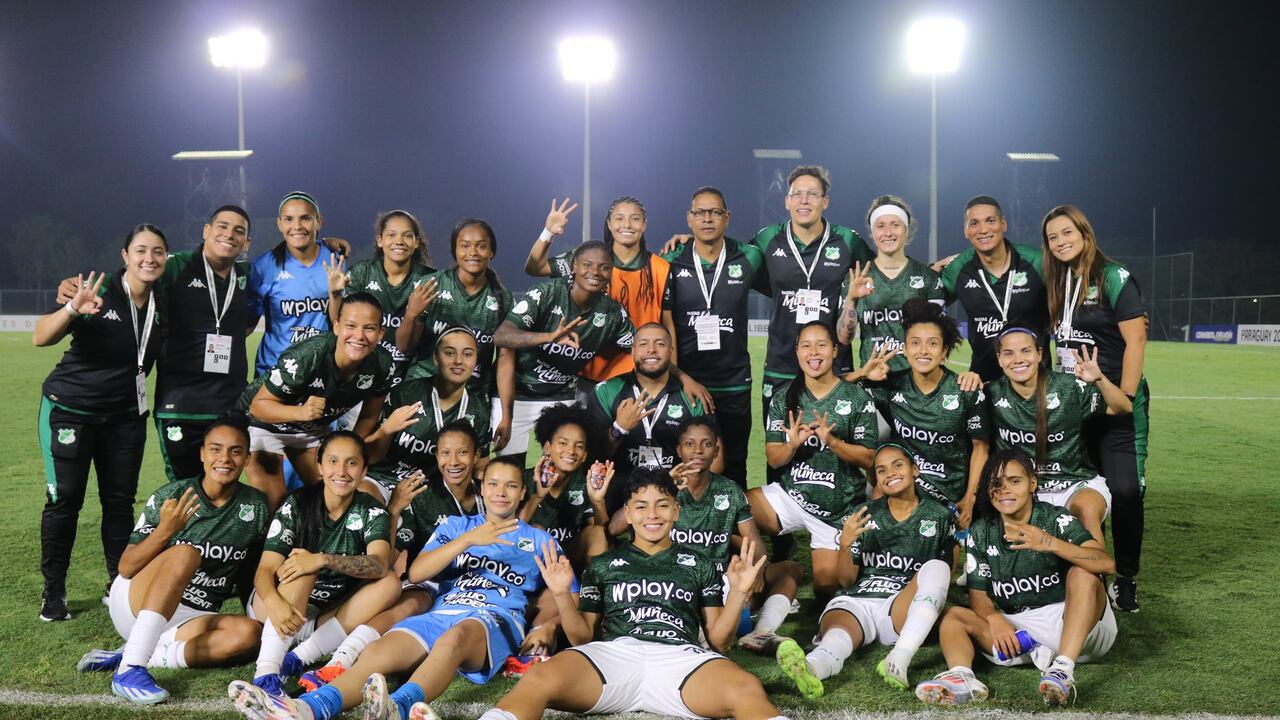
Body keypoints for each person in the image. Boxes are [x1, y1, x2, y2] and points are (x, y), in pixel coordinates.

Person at [229, 457, 569, 720]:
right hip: (444, 610)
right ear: (482, 487)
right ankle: (304, 710)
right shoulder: (457, 526)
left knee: (456, 637)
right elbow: (418, 572)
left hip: (492, 618)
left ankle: (401, 706)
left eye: (510, 486)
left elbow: (563, 593)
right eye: (494, 483)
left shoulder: (539, 540)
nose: (500, 492)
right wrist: (468, 539)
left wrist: (545, 627)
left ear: (523, 492)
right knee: (377, 653)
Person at [472, 470, 788, 720]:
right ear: (628, 513)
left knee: (747, 687)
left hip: (679, 659)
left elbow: (719, 641)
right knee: (540, 678)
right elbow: (583, 638)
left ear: (676, 511)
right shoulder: (604, 566)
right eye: (641, 506)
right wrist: (561, 594)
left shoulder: (700, 564)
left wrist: (739, 592)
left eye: (662, 505)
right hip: (614, 657)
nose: (652, 514)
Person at [77, 421, 269, 704]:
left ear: (247, 459)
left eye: (236, 451)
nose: (225, 459)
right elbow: (127, 567)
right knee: (186, 553)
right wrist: (166, 530)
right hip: (137, 600)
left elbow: (247, 572)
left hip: (192, 615)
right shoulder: (172, 495)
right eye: (216, 449)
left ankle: (145, 652)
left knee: (249, 635)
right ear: (202, 453)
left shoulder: (256, 506)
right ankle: (130, 669)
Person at [294, 420, 490, 693]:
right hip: (431, 583)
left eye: (463, 452)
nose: (453, 461)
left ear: (477, 455)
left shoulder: (491, 490)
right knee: (408, 604)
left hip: (482, 585)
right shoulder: (421, 494)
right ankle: (337, 661)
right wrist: (395, 510)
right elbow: (392, 556)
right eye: (445, 453)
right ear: (436, 456)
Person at [34, 223, 167, 621]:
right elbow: (42, 337)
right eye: (141, 250)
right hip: (70, 410)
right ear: (125, 255)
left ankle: (118, 586)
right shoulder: (96, 290)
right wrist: (72, 307)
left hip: (126, 417)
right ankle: (53, 592)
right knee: (64, 502)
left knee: (119, 504)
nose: (149, 258)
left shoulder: (166, 300)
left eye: (158, 252)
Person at [915, 450, 1117, 707]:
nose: (1005, 490)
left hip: (1078, 624)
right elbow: (978, 596)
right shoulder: (980, 532)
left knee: (1083, 574)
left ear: (1032, 483)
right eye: (996, 484)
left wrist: (1048, 542)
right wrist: (994, 618)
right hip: (1023, 632)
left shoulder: (1056, 518)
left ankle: (1062, 670)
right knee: (953, 616)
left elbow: (1107, 564)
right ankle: (961, 678)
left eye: (1015, 481)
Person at [777, 444, 954, 699]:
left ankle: (898, 659)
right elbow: (846, 580)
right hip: (858, 600)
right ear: (877, 479)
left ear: (915, 470)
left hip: (899, 605)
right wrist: (845, 544)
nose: (890, 473)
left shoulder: (938, 516)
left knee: (937, 567)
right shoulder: (863, 515)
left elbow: (942, 580)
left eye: (898, 465)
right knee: (836, 638)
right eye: (881, 470)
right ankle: (812, 667)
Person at [1041, 205, 1149, 612]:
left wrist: (1125, 392)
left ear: (1085, 233)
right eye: (1053, 237)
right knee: (1081, 490)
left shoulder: (1113, 277)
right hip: (1075, 408)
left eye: (1068, 233)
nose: (1061, 241)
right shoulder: (1059, 279)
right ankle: (1082, 571)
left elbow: (1136, 341)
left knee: (1124, 491)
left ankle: (1125, 577)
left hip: (1115, 403)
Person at [238, 431, 399, 699]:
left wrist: (323, 558)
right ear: (320, 466)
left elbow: (380, 564)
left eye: (351, 462)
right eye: (333, 461)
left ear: (364, 470)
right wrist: (275, 603)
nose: (342, 471)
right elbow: (265, 570)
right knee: (301, 566)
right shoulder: (297, 504)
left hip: (324, 615)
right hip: (275, 607)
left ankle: (298, 659)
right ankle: (266, 675)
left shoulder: (372, 511)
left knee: (391, 583)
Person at [752, 321, 879, 623]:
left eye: (821, 344)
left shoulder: (856, 397)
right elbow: (773, 458)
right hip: (791, 496)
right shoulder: (785, 397)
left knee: (829, 589)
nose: (813, 352)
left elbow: (869, 458)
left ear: (835, 350)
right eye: (805, 345)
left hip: (836, 511)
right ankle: (759, 582)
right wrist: (793, 445)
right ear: (796, 352)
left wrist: (833, 442)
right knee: (730, 510)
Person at [239, 293, 396, 508]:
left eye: (369, 328)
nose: (359, 335)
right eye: (351, 326)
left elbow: (369, 416)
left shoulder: (382, 365)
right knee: (273, 502)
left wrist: (346, 447)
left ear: (380, 333)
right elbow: (258, 406)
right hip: (265, 424)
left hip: (312, 428)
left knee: (335, 497)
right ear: (337, 326)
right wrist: (300, 413)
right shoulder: (308, 356)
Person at [668, 417, 804, 654]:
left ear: (716, 450)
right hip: (677, 581)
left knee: (790, 570)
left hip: (721, 580)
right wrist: (665, 487)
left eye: (706, 444)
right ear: (679, 450)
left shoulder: (730, 490)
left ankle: (761, 632)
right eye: (690, 444)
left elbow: (752, 537)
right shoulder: (662, 488)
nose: (698, 450)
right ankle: (706, 630)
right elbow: (618, 525)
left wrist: (758, 572)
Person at [986, 328, 1131, 546]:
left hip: (1076, 483)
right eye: (1008, 353)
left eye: (1026, 351)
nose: (1018, 360)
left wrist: (1099, 379)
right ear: (999, 359)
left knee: (1086, 513)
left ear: (1039, 354)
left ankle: (1096, 575)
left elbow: (1123, 407)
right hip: (1022, 489)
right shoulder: (990, 394)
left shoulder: (1069, 388)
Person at [493, 241, 634, 464]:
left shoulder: (612, 313)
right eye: (587, 265)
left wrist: (683, 377)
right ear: (574, 266)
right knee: (510, 468)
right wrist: (548, 337)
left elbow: (644, 349)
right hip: (518, 393)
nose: (595, 272)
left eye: (604, 267)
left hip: (562, 396)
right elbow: (502, 336)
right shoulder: (546, 293)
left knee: (565, 466)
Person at [661, 187, 763, 488]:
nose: (707, 218)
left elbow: (786, 286)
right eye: (700, 213)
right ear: (689, 219)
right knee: (683, 461)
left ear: (727, 218)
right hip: (686, 383)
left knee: (735, 461)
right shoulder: (670, 260)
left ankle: (734, 526)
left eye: (715, 212)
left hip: (734, 382)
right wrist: (677, 377)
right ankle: (684, 524)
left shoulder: (749, 257)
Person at [524, 197, 674, 392]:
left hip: (641, 373)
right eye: (619, 218)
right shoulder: (590, 260)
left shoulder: (661, 267)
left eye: (635, 219)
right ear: (609, 224)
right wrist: (548, 233)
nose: (627, 225)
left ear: (644, 224)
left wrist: (673, 373)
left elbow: (668, 325)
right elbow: (535, 267)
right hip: (590, 374)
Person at [863, 298, 988, 524]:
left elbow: (981, 448)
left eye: (932, 343)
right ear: (905, 348)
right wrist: (862, 375)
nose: (923, 351)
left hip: (948, 495)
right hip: (906, 483)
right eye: (915, 343)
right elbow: (831, 389)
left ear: (944, 352)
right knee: (873, 521)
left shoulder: (965, 390)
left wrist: (970, 499)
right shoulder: (892, 386)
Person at [398, 218, 515, 452]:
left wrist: (506, 416)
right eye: (465, 245)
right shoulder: (431, 285)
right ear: (455, 250)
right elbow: (404, 346)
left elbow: (505, 361)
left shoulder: (502, 299)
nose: (473, 252)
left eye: (481, 246)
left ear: (491, 251)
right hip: (424, 389)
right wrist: (411, 315)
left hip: (471, 397)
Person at [588, 323, 706, 516]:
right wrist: (619, 429)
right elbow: (592, 457)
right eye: (643, 344)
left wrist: (688, 480)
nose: (651, 349)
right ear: (633, 351)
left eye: (660, 344)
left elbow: (715, 461)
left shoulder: (692, 397)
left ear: (670, 351)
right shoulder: (607, 392)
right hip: (619, 484)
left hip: (675, 482)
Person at [360, 328, 491, 501]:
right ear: (436, 359)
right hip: (382, 481)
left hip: (431, 494)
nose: (458, 361)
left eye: (467, 354)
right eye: (449, 353)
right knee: (364, 499)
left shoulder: (479, 411)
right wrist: (386, 430)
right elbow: (368, 456)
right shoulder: (405, 393)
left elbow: (480, 467)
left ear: (475, 361)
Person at [937, 196, 1048, 382]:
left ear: (1003, 224)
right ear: (966, 231)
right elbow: (926, 303)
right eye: (974, 223)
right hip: (984, 381)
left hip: (1037, 381)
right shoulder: (958, 268)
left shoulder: (1037, 261)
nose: (983, 230)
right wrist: (930, 270)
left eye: (990, 221)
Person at [835, 195, 945, 372]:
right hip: (872, 383)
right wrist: (852, 300)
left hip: (916, 387)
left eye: (895, 224)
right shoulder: (855, 278)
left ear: (907, 230)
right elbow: (843, 338)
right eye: (880, 226)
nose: (888, 233)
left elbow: (941, 339)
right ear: (872, 232)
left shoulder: (928, 278)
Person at [327, 209, 434, 381]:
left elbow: (405, 347)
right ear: (380, 240)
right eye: (391, 235)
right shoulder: (362, 272)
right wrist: (335, 294)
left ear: (416, 242)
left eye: (407, 235)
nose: (399, 241)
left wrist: (412, 314)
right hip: (364, 373)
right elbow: (339, 323)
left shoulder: (429, 280)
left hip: (409, 378)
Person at [246, 191, 342, 377]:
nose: (297, 226)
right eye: (289, 219)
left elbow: (340, 322)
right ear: (279, 224)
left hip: (320, 370)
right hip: (274, 371)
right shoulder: (264, 266)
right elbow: (247, 323)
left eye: (305, 218)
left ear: (318, 221)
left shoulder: (335, 260)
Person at [520, 404, 611, 568]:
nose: (571, 451)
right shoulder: (523, 479)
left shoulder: (585, 484)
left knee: (597, 532)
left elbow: (601, 535)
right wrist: (538, 497)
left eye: (579, 446)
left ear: (585, 456)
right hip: (531, 559)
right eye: (563, 443)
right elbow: (513, 530)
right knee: (536, 530)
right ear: (548, 447)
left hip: (569, 559)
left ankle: (591, 590)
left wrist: (597, 501)